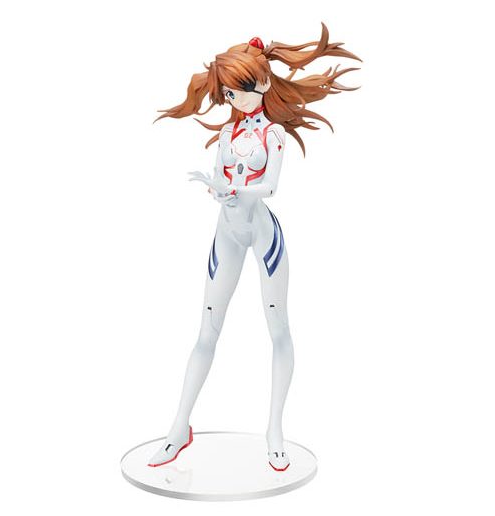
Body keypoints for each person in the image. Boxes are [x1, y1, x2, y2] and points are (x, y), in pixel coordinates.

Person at [147, 24, 360, 471]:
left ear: (261, 82)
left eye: (241, 89)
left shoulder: (273, 135)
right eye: (228, 93)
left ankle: (274, 430)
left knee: (277, 327)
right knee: (207, 329)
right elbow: (219, 176)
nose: (235, 99)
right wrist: (217, 188)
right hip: (227, 231)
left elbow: (271, 186)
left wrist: (237, 190)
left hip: (263, 234)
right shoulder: (228, 135)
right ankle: (179, 427)